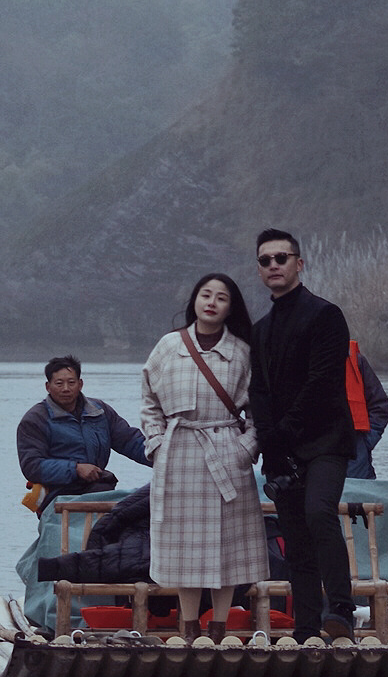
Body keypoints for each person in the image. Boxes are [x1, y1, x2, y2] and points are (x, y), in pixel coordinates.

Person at [138, 271, 269, 635]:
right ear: (194, 300)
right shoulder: (167, 346)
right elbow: (149, 401)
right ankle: (190, 625)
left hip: (226, 453)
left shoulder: (242, 352)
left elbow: (260, 411)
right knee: (184, 546)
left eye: (221, 297)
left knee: (228, 545)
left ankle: (220, 627)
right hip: (179, 454)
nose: (211, 302)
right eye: (205, 295)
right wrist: (157, 442)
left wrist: (245, 449)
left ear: (230, 307)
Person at [251, 227, 362, 639]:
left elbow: (323, 382)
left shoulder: (325, 314)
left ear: (299, 263)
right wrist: (269, 441)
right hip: (282, 448)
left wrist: (283, 431)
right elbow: (258, 391)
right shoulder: (260, 329)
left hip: (326, 440)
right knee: (295, 535)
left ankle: (343, 609)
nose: (274, 265)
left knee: (319, 512)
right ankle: (306, 627)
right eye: (266, 260)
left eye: (282, 258)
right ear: (260, 269)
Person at [15, 354, 150, 498]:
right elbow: (32, 466)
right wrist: (75, 469)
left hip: (98, 488)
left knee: (143, 503)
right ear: (48, 387)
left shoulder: (99, 411)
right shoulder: (35, 420)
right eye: (59, 383)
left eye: (71, 382)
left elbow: (129, 441)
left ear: (80, 384)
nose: (66, 389)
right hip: (57, 495)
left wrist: (163, 457)